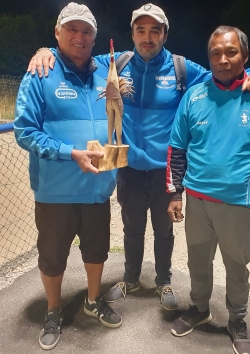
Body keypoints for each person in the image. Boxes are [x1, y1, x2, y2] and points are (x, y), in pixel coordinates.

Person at [27, 3, 250, 312]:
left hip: (165, 170)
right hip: (128, 166)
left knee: (164, 229)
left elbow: (222, 75)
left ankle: (164, 280)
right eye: (141, 31)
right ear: (133, 34)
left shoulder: (182, 69)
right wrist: (43, 50)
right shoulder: (115, 63)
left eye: (155, 31)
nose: (148, 37)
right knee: (132, 226)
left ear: (164, 34)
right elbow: (74, 55)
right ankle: (131, 278)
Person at [166, 25, 250, 354]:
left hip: (238, 203)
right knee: (198, 262)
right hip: (199, 202)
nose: (222, 59)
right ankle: (200, 309)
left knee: (236, 267)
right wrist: (176, 193)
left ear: (244, 56)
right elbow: (177, 149)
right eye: (216, 53)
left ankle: (237, 319)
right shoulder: (194, 95)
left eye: (231, 52)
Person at [14, 3, 122, 351]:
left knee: (96, 251)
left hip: (97, 188)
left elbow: (151, 52)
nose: (79, 37)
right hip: (55, 191)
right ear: (58, 33)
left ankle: (92, 301)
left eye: (86, 31)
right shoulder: (40, 73)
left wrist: (249, 69)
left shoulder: (107, 67)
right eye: (71, 29)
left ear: (95, 38)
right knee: (52, 255)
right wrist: (69, 153)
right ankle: (53, 309)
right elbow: (24, 131)